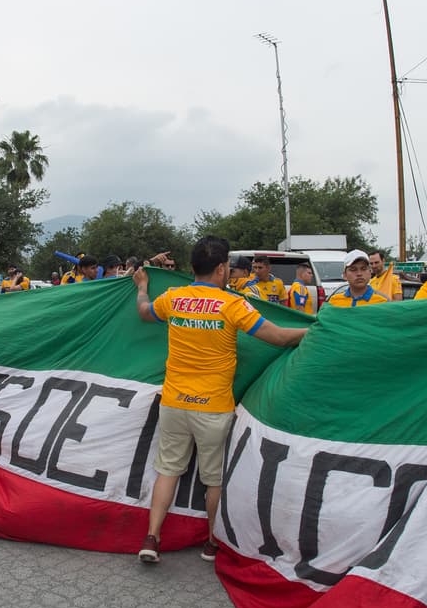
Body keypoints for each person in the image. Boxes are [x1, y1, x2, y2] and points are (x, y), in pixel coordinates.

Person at [132, 238, 308, 563]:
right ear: (222, 268)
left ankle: (151, 538)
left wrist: (142, 286)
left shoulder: (173, 297)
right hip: (213, 408)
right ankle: (211, 544)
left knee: (168, 471)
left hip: (173, 402)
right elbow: (280, 337)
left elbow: (144, 312)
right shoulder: (232, 304)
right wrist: (319, 329)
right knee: (212, 480)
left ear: (192, 267)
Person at [323, 250, 389, 308]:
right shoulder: (334, 302)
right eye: (353, 269)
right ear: (345, 275)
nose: (359, 274)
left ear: (370, 272)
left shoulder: (383, 302)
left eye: (363, 269)